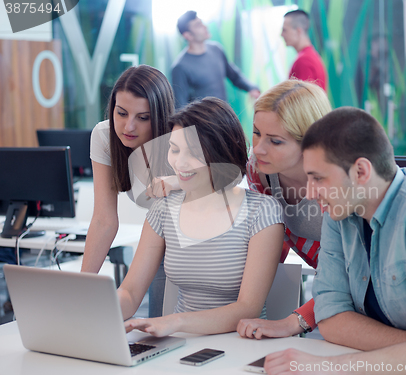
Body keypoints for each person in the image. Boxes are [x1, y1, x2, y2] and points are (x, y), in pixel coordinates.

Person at [263, 107, 406, 374]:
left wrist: (323, 367)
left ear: (361, 172)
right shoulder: (338, 214)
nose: (309, 191)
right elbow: (330, 318)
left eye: (318, 178)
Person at [118, 97, 284, 337]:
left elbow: (248, 308)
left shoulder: (262, 211)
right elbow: (131, 292)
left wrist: (176, 322)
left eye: (193, 152)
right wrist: (101, 310)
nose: (179, 163)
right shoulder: (164, 208)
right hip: (180, 343)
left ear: (220, 153)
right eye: (174, 149)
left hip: (242, 344)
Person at [237, 80, 331, 339]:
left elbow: (348, 273)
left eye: (275, 141)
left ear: (311, 142)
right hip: (323, 288)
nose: (258, 148)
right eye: (256, 133)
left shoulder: (338, 182)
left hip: (355, 288)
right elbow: (272, 239)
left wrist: (294, 322)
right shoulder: (258, 169)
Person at [81, 65, 175, 318]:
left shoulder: (179, 143)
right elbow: (104, 219)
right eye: (121, 113)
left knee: (166, 325)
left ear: (160, 116)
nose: (128, 126)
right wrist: (81, 286)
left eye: (143, 118)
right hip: (158, 243)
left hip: (198, 250)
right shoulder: (104, 135)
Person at [171, 10, 260, 109]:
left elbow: (234, 76)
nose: (205, 27)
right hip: (202, 123)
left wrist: (252, 88)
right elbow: (180, 108)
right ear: (188, 35)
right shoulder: (180, 67)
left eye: (202, 22)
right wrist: (192, 126)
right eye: (198, 25)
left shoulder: (216, 49)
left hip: (224, 119)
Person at [281, 10, 327, 91]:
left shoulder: (304, 60)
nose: (281, 34)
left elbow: (301, 102)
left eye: (285, 30)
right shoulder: (309, 56)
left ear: (298, 31)